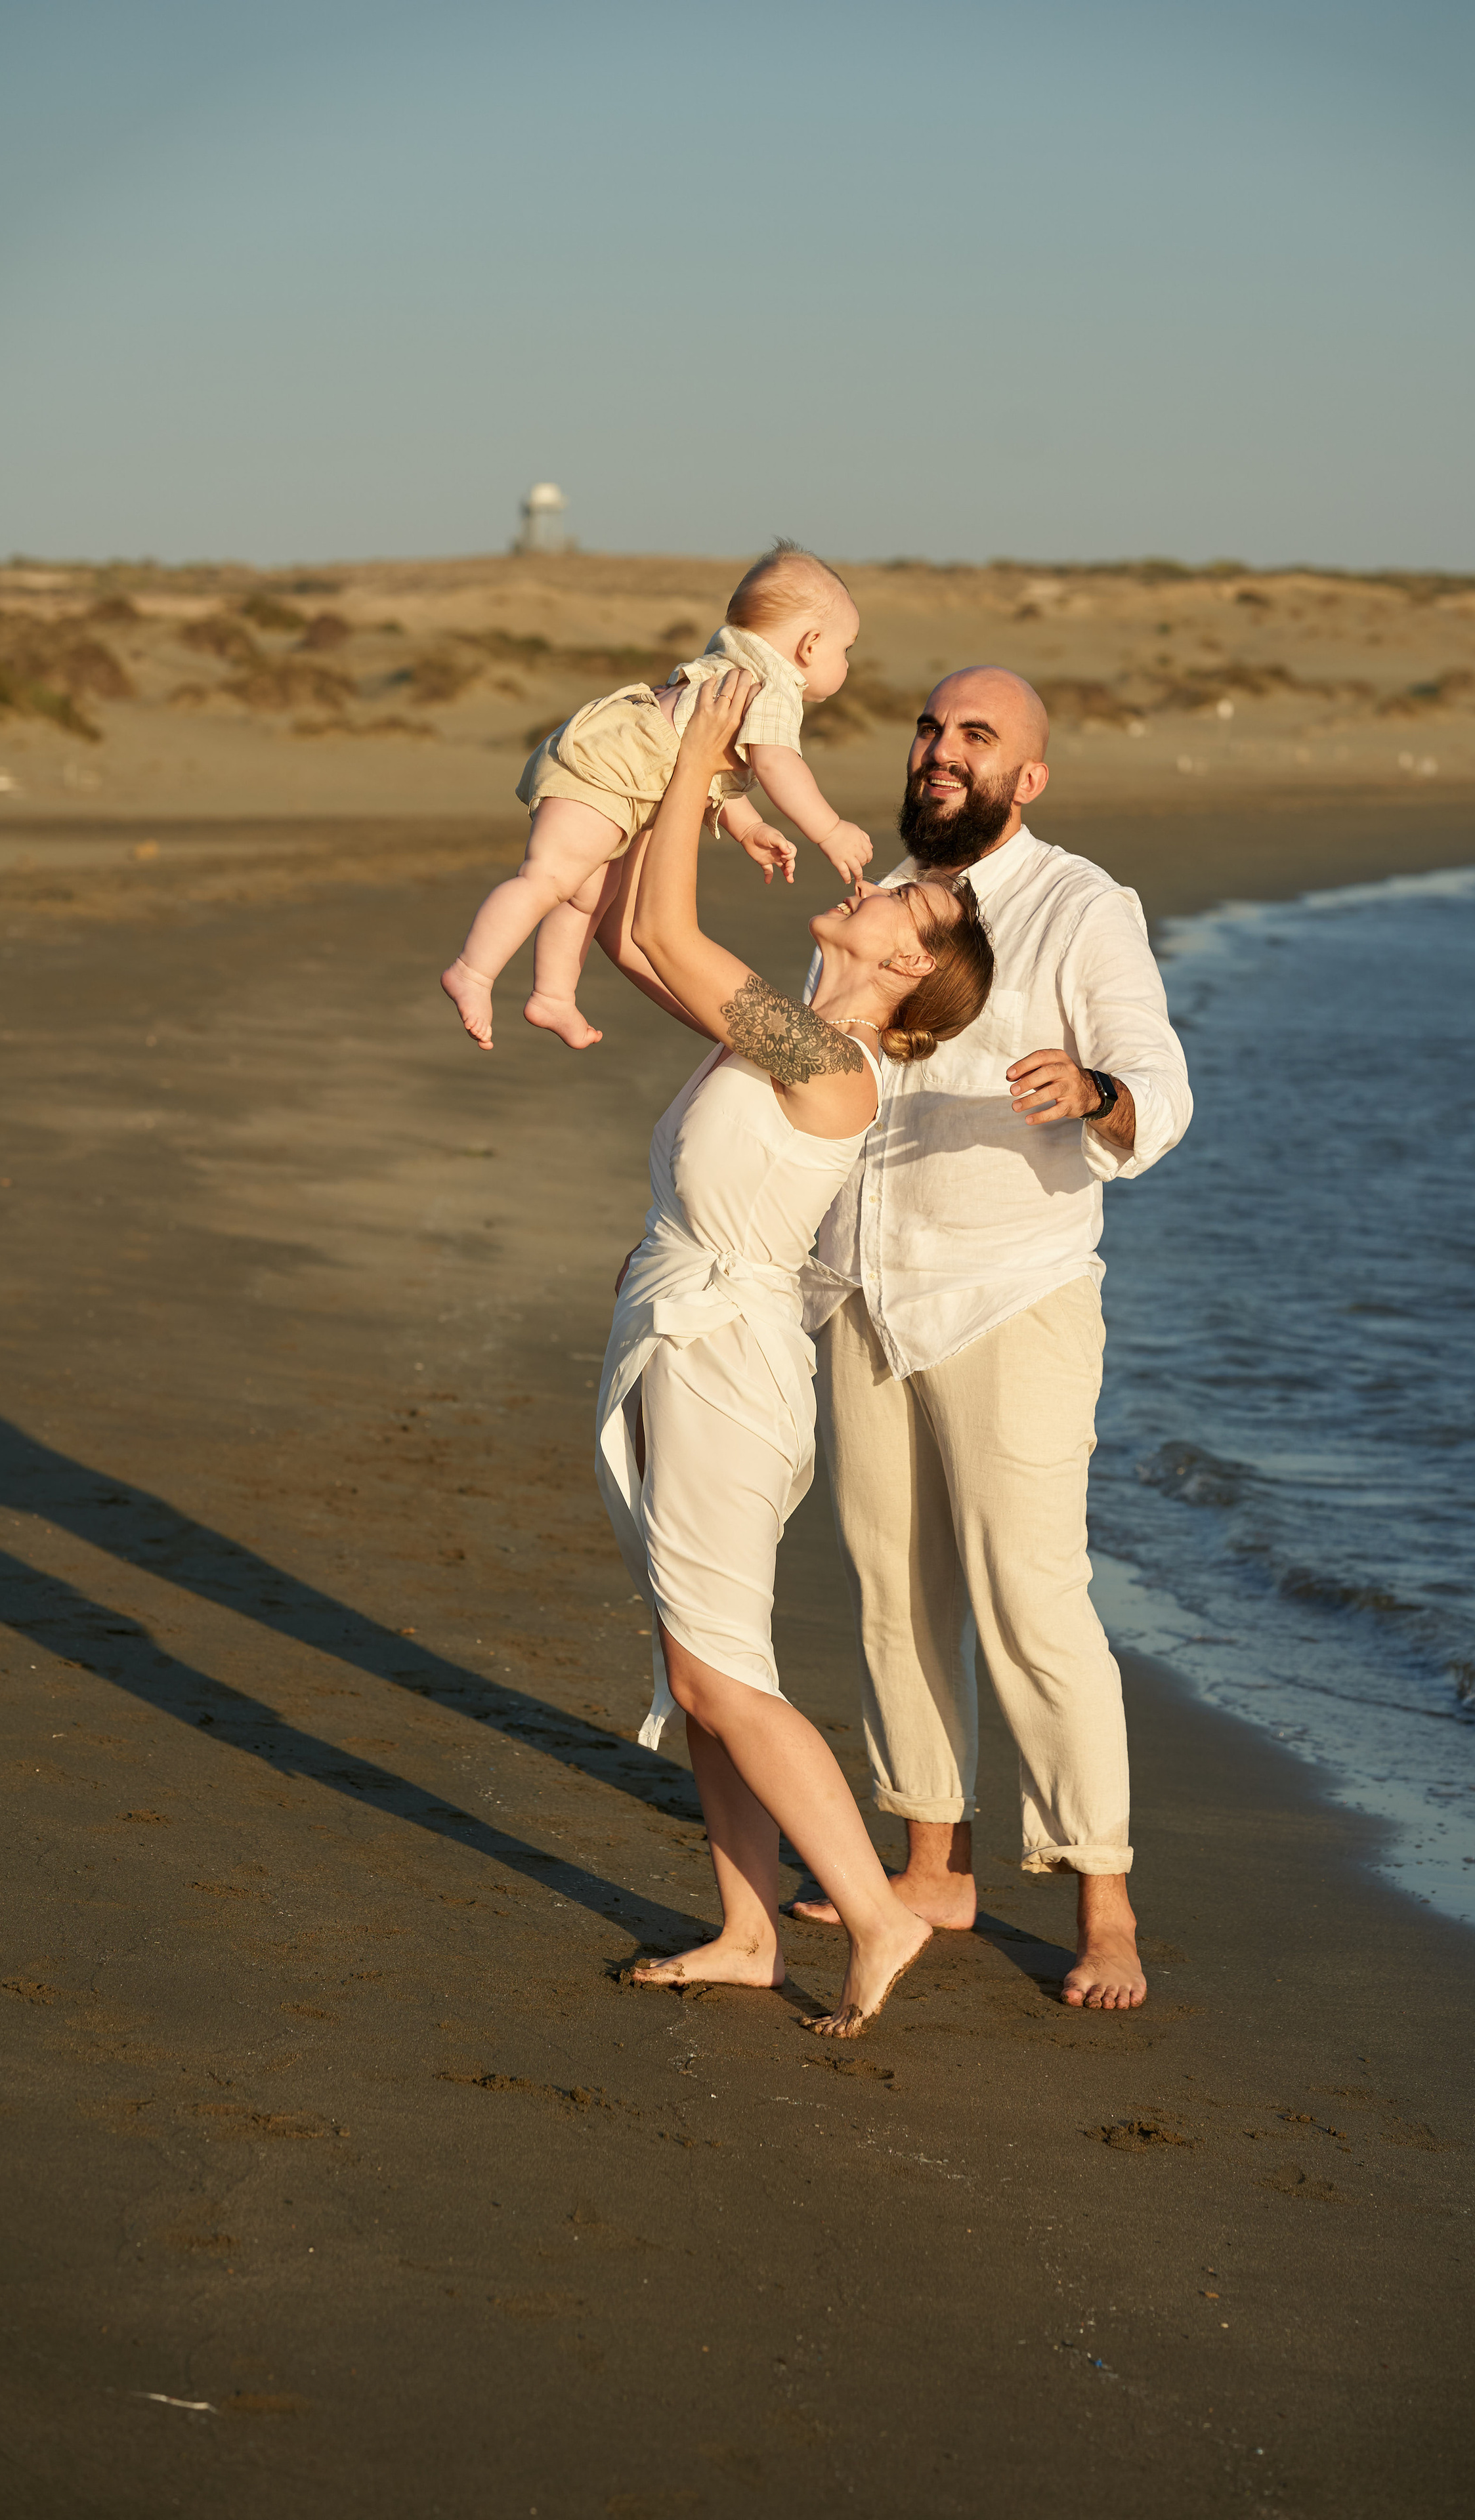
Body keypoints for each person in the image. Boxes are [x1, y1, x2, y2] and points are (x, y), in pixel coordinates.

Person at [595, 667, 996, 2035]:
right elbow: (635, 942)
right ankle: (749, 1932)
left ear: (909, 967)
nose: (878, 886)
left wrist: (701, 757)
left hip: (723, 1367)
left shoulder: (826, 1063)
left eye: (906, 903)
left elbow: (668, 926)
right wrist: (669, 789)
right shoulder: (783, 1039)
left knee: (721, 1675)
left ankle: (878, 1914)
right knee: (698, 1670)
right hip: (687, 1344)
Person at [793, 667, 1193, 2011]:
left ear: (1028, 777)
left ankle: (1103, 1901)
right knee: (890, 1586)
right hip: (862, 1288)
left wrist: (1093, 1089)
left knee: (1030, 1596)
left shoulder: (1081, 905)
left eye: (976, 736)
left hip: (1010, 1292)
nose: (942, 751)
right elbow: (818, 1077)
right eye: (930, 728)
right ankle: (933, 1867)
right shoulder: (873, 906)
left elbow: (1162, 1085)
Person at [440, 541, 874, 1051]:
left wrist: (749, 828)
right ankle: (472, 971)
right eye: (847, 650)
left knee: (587, 896)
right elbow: (777, 763)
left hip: (624, 773)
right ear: (811, 645)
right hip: (611, 769)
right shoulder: (775, 687)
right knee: (549, 878)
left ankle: (553, 995)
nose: (847, 663)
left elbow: (705, 761)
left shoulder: (732, 657)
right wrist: (830, 830)